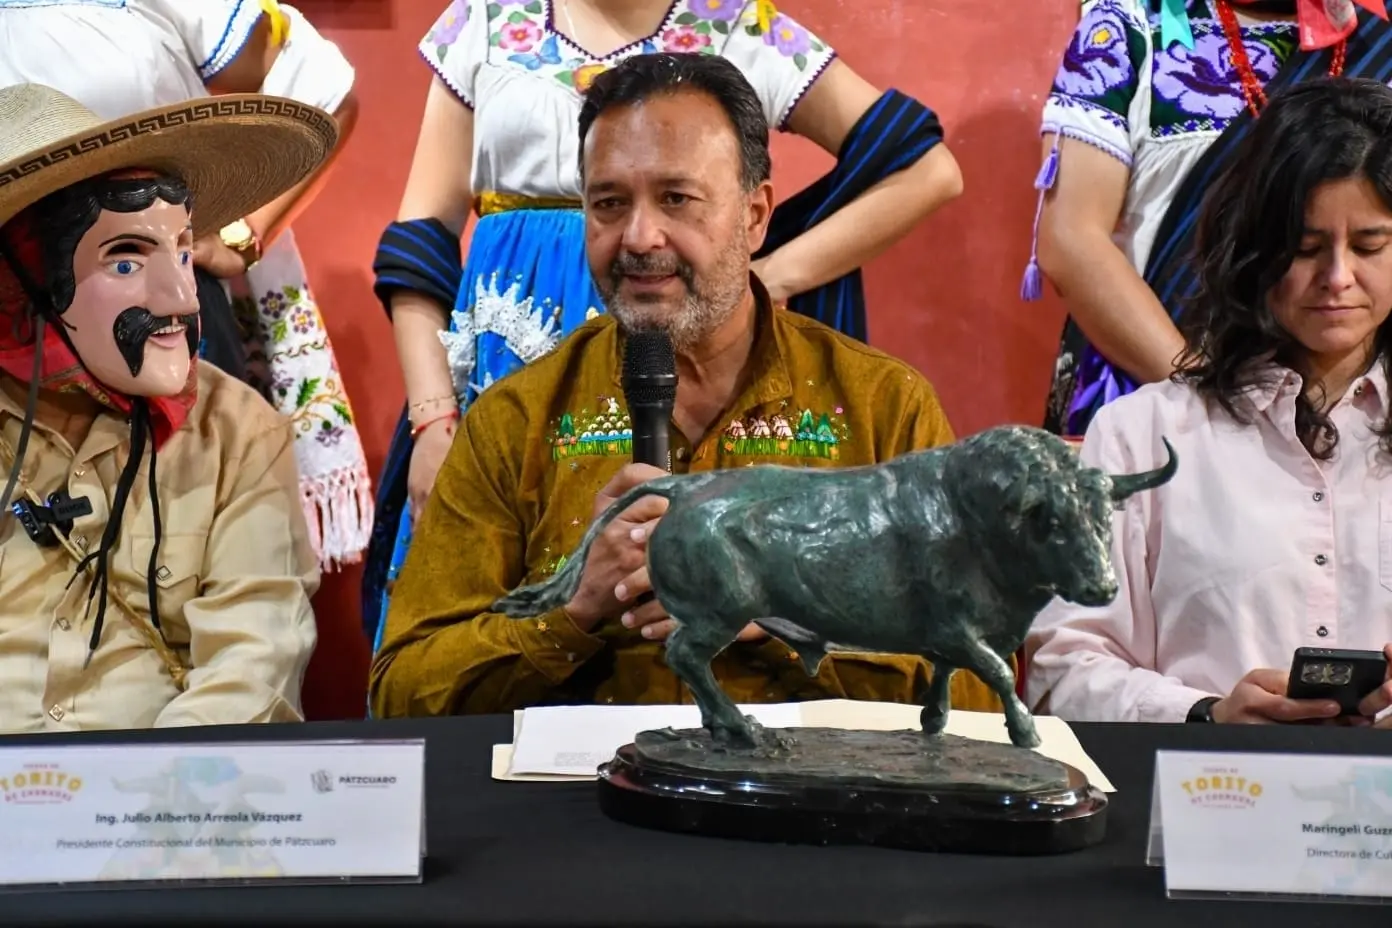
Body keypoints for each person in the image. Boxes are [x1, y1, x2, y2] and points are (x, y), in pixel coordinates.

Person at [369, 53, 1001, 718]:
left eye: (676, 198)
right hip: (582, 786)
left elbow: (982, 687)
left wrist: (786, 613)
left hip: (812, 787)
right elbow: (402, 695)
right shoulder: (516, 420)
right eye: (609, 204)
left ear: (755, 215)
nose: (640, 237)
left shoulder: (883, 410)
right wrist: (573, 607)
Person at [1024, 77, 1392, 727]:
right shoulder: (1143, 437)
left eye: (1369, 246)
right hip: (1206, 787)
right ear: (1254, 249)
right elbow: (1063, 669)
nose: (1337, 278)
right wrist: (1205, 717)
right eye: (1305, 249)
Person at [0, 83, 332, 731]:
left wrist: (151, 789)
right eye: (126, 262)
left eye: (182, 251)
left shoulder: (237, 432)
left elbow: (252, 666)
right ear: (25, 279)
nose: (183, 298)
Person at [0, 0, 374, 569]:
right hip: (16, 337)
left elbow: (322, 84)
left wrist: (243, 234)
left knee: (192, 529)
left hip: (158, 337)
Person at [1021, 0, 1392, 438]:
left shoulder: (1379, 34)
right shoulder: (1130, 27)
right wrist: (1208, 399)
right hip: (1163, 403)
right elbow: (1072, 238)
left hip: (1360, 413)